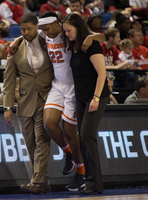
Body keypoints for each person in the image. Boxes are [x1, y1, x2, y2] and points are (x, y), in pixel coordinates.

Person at [10, 11, 106, 191]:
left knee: (70, 132)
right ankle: (69, 155)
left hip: (73, 87)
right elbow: (27, 35)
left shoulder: (66, 32)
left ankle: (80, 173)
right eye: (43, 30)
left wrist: (90, 38)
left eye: (48, 29)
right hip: (57, 85)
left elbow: (101, 36)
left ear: (57, 23)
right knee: (49, 124)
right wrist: (16, 40)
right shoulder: (43, 32)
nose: (46, 33)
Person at [4, 13, 54, 194]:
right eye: (22, 30)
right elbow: (8, 81)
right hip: (24, 102)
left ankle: (37, 181)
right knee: (30, 144)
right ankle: (43, 182)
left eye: (29, 29)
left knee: (42, 140)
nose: (25, 32)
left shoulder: (48, 42)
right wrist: (8, 107)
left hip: (47, 98)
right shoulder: (14, 50)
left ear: (37, 27)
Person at [62, 13, 110, 195]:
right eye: (65, 31)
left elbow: (102, 74)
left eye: (69, 30)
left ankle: (93, 183)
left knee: (88, 135)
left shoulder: (92, 45)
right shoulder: (74, 46)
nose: (66, 34)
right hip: (81, 97)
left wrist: (96, 98)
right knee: (83, 138)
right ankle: (92, 182)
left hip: (96, 95)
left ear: (78, 27)